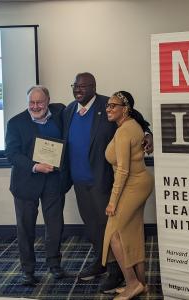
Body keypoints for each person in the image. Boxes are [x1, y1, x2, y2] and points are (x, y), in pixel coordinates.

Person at [62, 72, 153, 293]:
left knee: (111, 228)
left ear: (93, 86)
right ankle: (101, 262)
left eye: (83, 86)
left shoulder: (109, 105)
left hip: (103, 180)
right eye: (75, 85)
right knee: (92, 225)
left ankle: (116, 271)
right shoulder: (68, 110)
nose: (78, 89)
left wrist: (147, 134)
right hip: (79, 180)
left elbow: (136, 118)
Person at [5, 86, 66, 286]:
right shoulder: (15, 123)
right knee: (26, 229)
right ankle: (28, 270)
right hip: (26, 183)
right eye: (31, 102)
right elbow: (12, 155)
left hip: (54, 182)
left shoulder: (60, 112)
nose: (35, 106)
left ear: (48, 100)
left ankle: (55, 265)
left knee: (55, 227)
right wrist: (35, 166)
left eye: (40, 102)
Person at [102, 91, 153, 300]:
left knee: (114, 235)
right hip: (139, 183)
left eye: (113, 106)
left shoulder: (125, 131)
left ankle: (132, 284)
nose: (108, 109)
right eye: (107, 105)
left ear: (125, 109)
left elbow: (122, 170)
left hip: (133, 185)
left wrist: (112, 202)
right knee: (131, 233)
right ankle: (142, 282)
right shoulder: (132, 125)